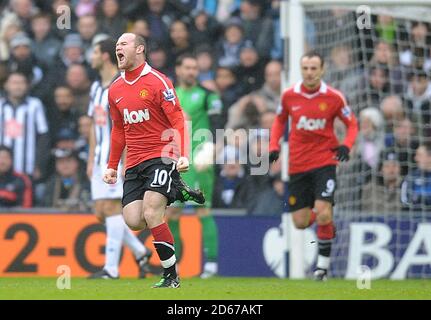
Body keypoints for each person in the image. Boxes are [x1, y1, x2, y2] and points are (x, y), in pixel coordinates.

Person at [104, 33, 204, 288]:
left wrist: (183, 154)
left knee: (152, 211)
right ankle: (178, 190)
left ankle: (171, 276)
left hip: (162, 155)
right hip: (135, 162)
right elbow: (118, 130)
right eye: (116, 45)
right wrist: (112, 166)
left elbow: (178, 120)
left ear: (139, 49)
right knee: (134, 220)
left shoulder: (159, 81)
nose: (118, 47)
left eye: (123, 44)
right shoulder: (115, 89)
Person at [269, 51, 358, 281]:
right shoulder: (289, 96)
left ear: (322, 70)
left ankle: (322, 269)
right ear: (301, 70)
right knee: (299, 222)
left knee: (324, 212)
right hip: (297, 164)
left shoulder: (334, 97)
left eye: (313, 68)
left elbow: (352, 123)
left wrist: (346, 145)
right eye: (305, 68)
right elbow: (279, 121)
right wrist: (274, 146)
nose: (309, 73)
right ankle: (324, 223)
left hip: (324, 162)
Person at [86, 38, 153, 279]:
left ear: (104, 56)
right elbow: (94, 125)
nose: (91, 57)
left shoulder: (121, 84)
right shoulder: (96, 88)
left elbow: (127, 125)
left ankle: (111, 270)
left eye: (94, 52)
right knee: (101, 211)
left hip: (118, 157)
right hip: (100, 157)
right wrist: (91, 158)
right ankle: (140, 251)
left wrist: (125, 161)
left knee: (113, 208)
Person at [166, 54, 223, 278]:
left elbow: (219, 123)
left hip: (199, 159)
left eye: (194, 68)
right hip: (173, 158)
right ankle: (175, 265)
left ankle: (211, 265)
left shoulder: (207, 95)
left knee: (203, 209)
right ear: (178, 69)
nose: (192, 72)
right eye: (187, 67)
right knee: (171, 213)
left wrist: (211, 150)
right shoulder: (170, 95)